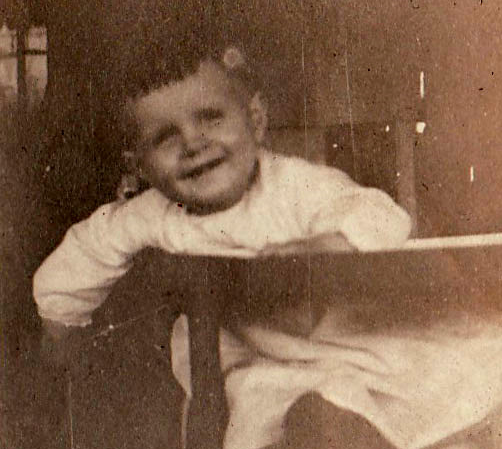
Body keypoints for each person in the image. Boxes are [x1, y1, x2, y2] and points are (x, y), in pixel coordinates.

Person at [34, 34, 412, 352]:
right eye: (165, 137)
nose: (193, 143)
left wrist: (328, 243)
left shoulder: (294, 185)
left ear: (256, 120)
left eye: (211, 118)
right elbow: (83, 254)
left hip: (333, 344)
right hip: (233, 360)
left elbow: (379, 213)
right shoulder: (148, 214)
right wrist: (61, 326)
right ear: (139, 166)